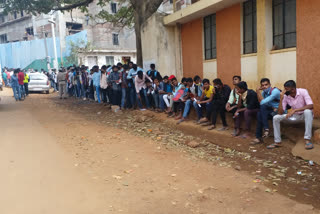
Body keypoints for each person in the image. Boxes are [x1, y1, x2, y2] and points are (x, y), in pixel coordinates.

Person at [269, 80, 314, 150]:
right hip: (295, 117)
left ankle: (307, 140)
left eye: (286, 89)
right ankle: (277, 142)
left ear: (293, 89)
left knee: (308, 111)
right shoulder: (286, 96)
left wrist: (295, 110)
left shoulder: (303, 91)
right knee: (276, 117)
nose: (284, 91)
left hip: (305, 116)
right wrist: (281, 99)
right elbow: (280, 112)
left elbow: (311, 105)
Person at [251, 78, 281, 144]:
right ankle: (261, 134)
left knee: (262, 109)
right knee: (259, 114)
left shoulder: (275, 91)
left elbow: (262, 102)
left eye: (266, 85)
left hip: (279, 112)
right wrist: (259, 92)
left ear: (270, 85)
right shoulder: (264, 93)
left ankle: (265, 130)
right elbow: (260, 102)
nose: (264, 87)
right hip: (272, 110)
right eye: (263, 85)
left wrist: (257, 91)